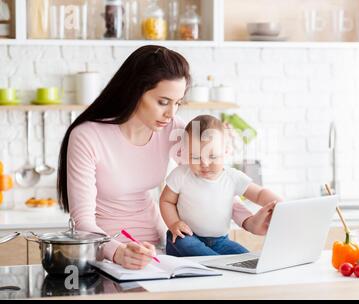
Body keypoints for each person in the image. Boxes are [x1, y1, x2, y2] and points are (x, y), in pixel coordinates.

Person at [57, 45, 276, 270]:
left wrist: (248, 222)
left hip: (158, 248)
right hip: (106, 254)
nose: (172, 113)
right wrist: (118, 252)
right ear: (135, 91)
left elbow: (211, 180)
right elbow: (82, 223)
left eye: (178, 103)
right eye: (163, 102)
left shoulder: (173, 130)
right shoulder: (87, 136)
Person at [160, 115, 283, 256]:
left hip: (220, 241)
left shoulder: (232, 177)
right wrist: (174, 223)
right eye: (195, 157)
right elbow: (166, 201)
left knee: (248, 260)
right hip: (185, 236)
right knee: (186, 244)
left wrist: (279, 204)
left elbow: (259, 193)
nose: (204, 163)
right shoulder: (181, 174)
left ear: (225, 151)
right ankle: (218, 264)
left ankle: (216, 263)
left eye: (212, 156)